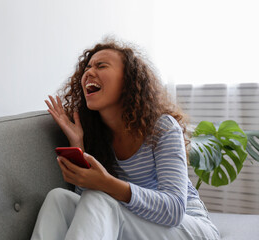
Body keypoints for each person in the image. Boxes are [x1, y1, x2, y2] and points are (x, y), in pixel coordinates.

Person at [31, 39, 220, 240]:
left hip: (190, 227)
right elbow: (89, 212)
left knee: (100, 198)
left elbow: (173, 210)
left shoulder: (162, 128)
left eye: (101, 65)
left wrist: (108, 184)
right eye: (87, 67)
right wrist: (78, 144)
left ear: (128, 80)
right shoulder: (98, 134)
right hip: (133, 221)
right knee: (58, 199)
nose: (89, 72)